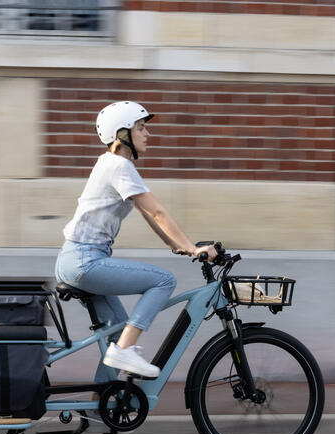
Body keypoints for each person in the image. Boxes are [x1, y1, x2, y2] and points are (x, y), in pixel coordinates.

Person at [55, 101, 217, 379]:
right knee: (163, 280)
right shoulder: (119, 165)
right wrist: (192, 248)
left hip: (77, 258)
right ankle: (125, 351)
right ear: (122, 134)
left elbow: (147, 214)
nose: (148, 134)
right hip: (85, 261)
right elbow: (157, 210)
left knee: (118, 331)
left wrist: (175, 245)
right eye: (141, 127)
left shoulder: (112, 164)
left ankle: (98, 409)